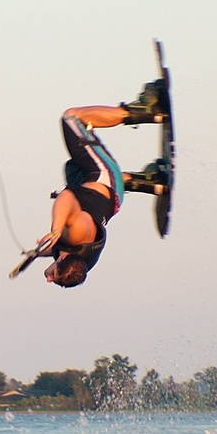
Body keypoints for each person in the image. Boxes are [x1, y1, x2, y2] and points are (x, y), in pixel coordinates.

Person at [38, 79, 171, 288]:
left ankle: (150, 182)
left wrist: (40, 253)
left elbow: (61, 248)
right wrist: (56, 229)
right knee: (72, 118)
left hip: (111, 196)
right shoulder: (76, 233)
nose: (48, 277)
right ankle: (145, 110)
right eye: (53, 276)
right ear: (63, 260)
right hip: (103, 176)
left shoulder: (81, 260)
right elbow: (68, 198)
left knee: (72, 169)